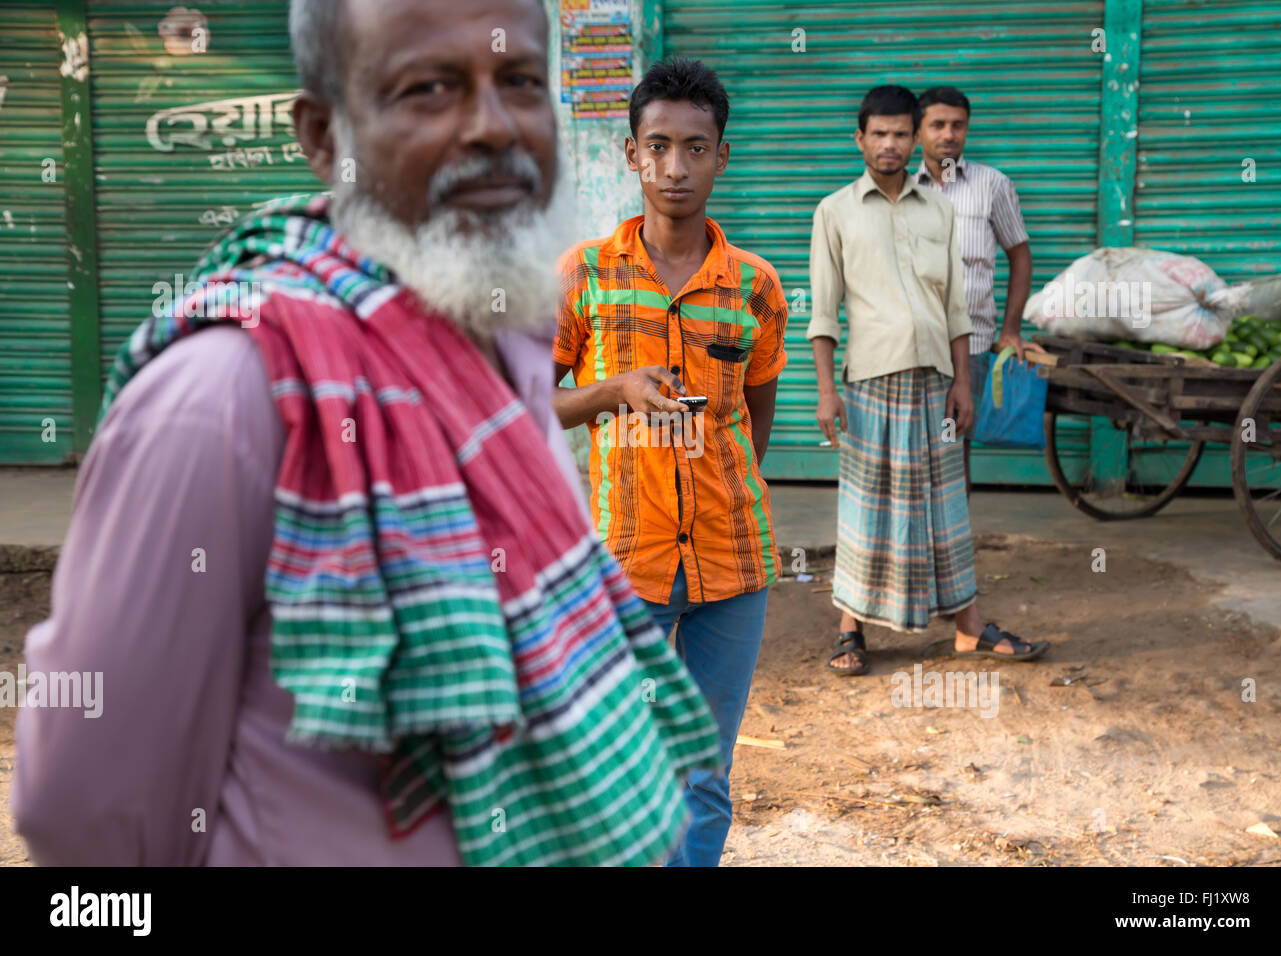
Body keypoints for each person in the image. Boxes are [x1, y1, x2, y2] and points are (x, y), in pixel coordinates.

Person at [11, 0, 721, 867]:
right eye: (429, 88)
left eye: (522, 82)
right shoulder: (223, 401)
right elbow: (90, 817)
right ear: (323, 135)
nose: (493, 126)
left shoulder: (512, 347)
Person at [552, 56, 788, 866]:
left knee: (704, 771)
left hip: (733, 564)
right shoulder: (584, 277)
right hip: (626, 565)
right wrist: (611, 391)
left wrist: (718, 489)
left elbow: (754, 419)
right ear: (631, 156)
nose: (675, 167)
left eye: (696, 148)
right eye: (658, 147)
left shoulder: (754, 287)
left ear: (722, 156)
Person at [808, 85, 1048, 676]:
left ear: (913, 139)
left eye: (900, 134)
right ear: (859, 139)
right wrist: (825, 391)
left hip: (939, 382)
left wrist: (964, 382)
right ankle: (850, 630)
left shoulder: (939, 208)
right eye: (878, 134)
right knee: (866, 507)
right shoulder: (834, 211)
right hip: (868, 383)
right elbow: (822, 312)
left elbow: (956, 312)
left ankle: (969, 630)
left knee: (946, 508)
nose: (890, 145)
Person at [913, 86, 1033, 491]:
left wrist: (1011, 330)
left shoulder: (993, 185)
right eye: (938, 125)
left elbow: (1020, 254)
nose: (948, 134)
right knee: (912, 448)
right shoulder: (904, 191)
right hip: (914, 341)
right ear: (918, 131)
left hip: (974, 341)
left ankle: (953, 542)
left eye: (957, 125)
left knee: (953, 444)